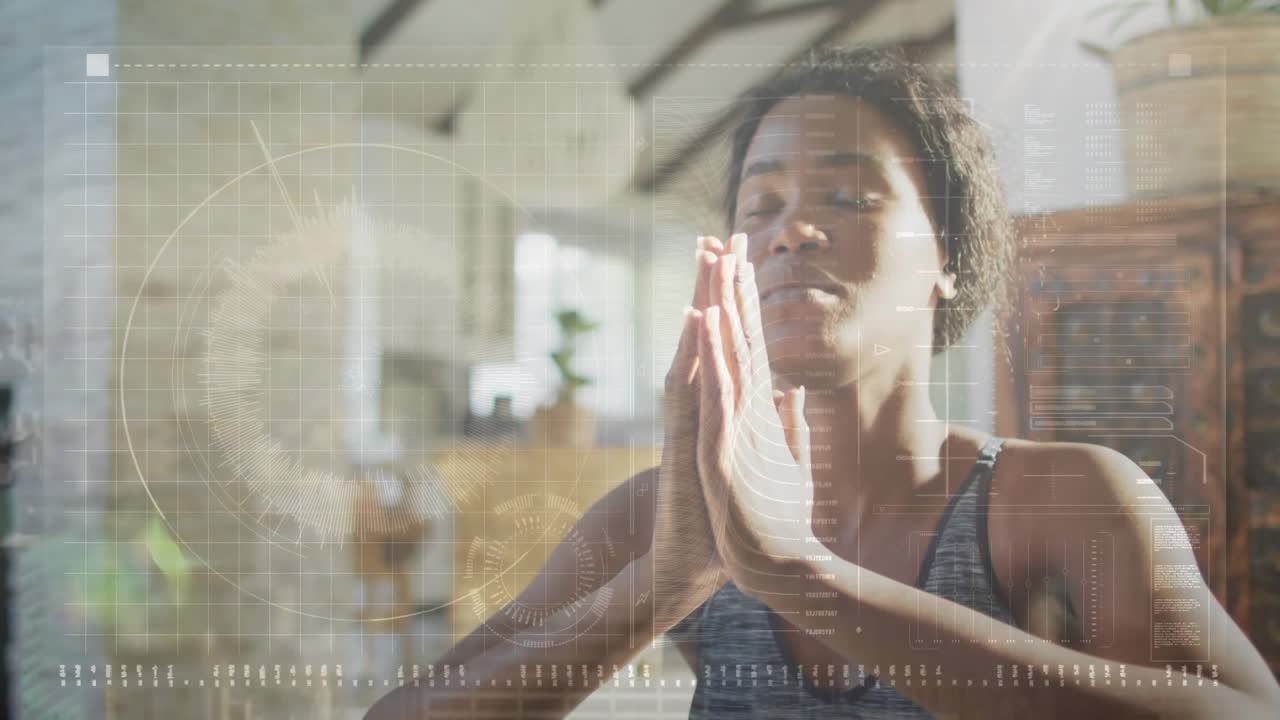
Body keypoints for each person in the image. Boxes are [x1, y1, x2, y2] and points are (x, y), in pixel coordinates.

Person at [366, 46, 1280, 720]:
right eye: (760, 207)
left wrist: (802, 577)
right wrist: (666, 581)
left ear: (949, 255)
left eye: (848, 198)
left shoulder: (1060, 500)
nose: (789, 233)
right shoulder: (664, 517)